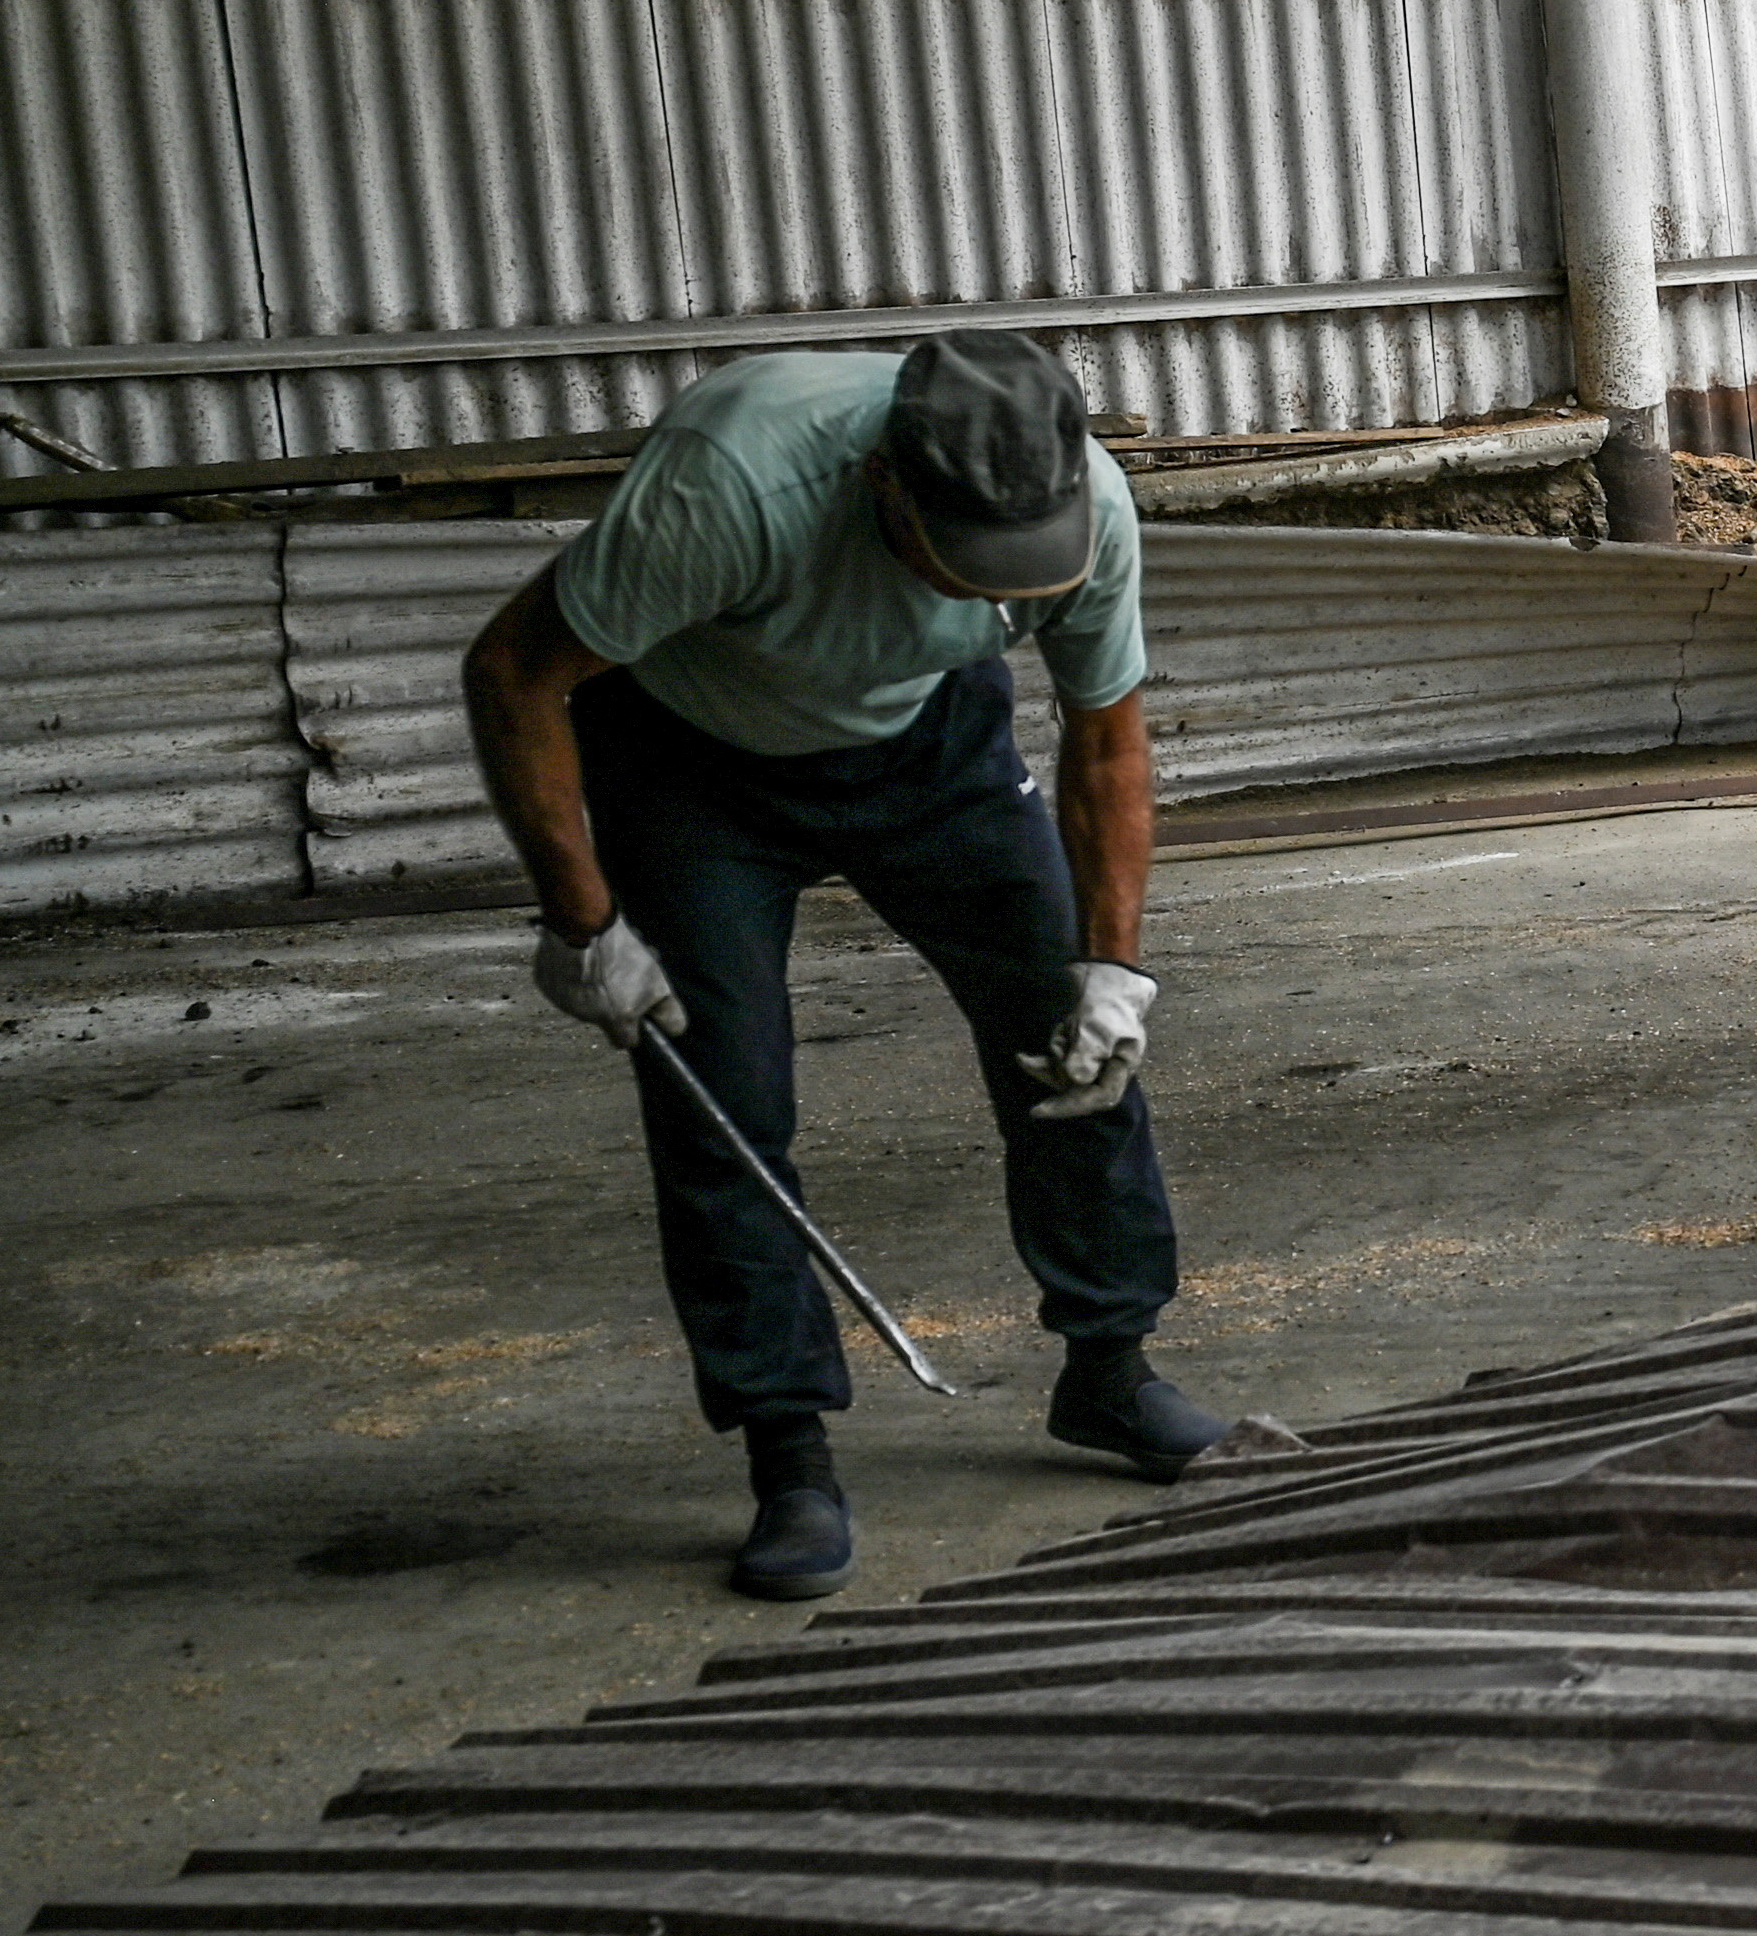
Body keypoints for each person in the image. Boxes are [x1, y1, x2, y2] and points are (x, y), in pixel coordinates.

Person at [459, 333, 1241, 1601]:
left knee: (1072, 1042)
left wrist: (1115, 966)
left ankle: (1111, 1371)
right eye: (956, 556)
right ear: (884, 482)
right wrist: (584, 925)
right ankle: (788, 1455)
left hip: (931, 743)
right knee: (727, 1100)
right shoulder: (734, 481)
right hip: (694, 760)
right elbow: (512, 671)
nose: (986, 583)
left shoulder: (1083, 503)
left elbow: (1104, 736)